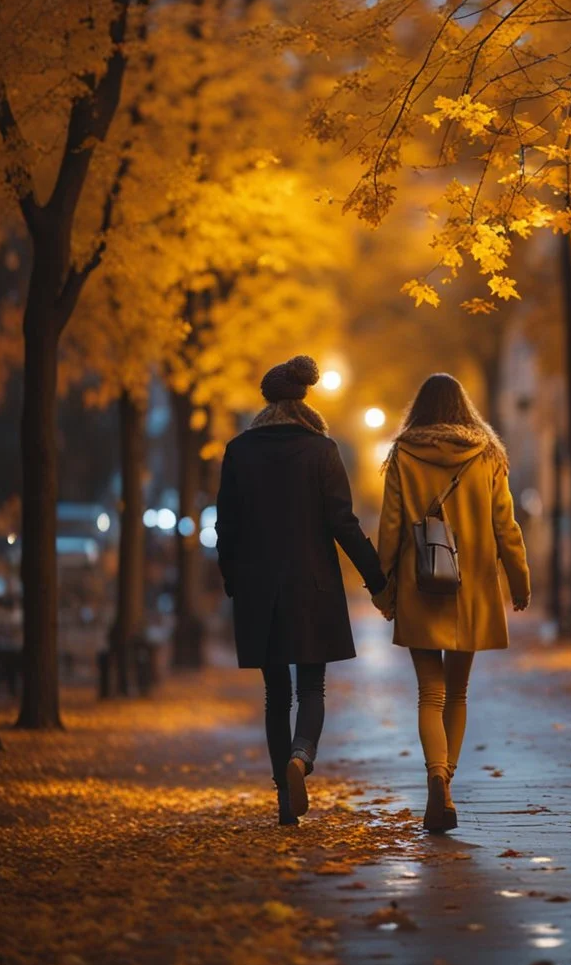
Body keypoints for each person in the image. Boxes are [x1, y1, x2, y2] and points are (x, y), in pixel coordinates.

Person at [216, 355, 386, 825]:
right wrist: (377, 580)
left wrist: (232, 579)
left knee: (276, 696)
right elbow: (343, 524)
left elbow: (225, 526)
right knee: (312, 686)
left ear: (267, 403)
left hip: (258, 589)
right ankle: (301, 756)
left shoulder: (239, 451)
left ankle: (284, 799)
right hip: (313, 588)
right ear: (304, 402)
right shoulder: (321, 451)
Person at [373, 373, 531, 833]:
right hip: (473, 587)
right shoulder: (487, 455)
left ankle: (434, 776)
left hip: (420, 584)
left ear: (419, 409)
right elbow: (506, 526)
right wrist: (519, 582)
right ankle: (446, 783)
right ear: (464, 408)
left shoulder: (403, 455)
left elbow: (390, 528)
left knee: (429, 693)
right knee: (457, 694)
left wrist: (384, 590)